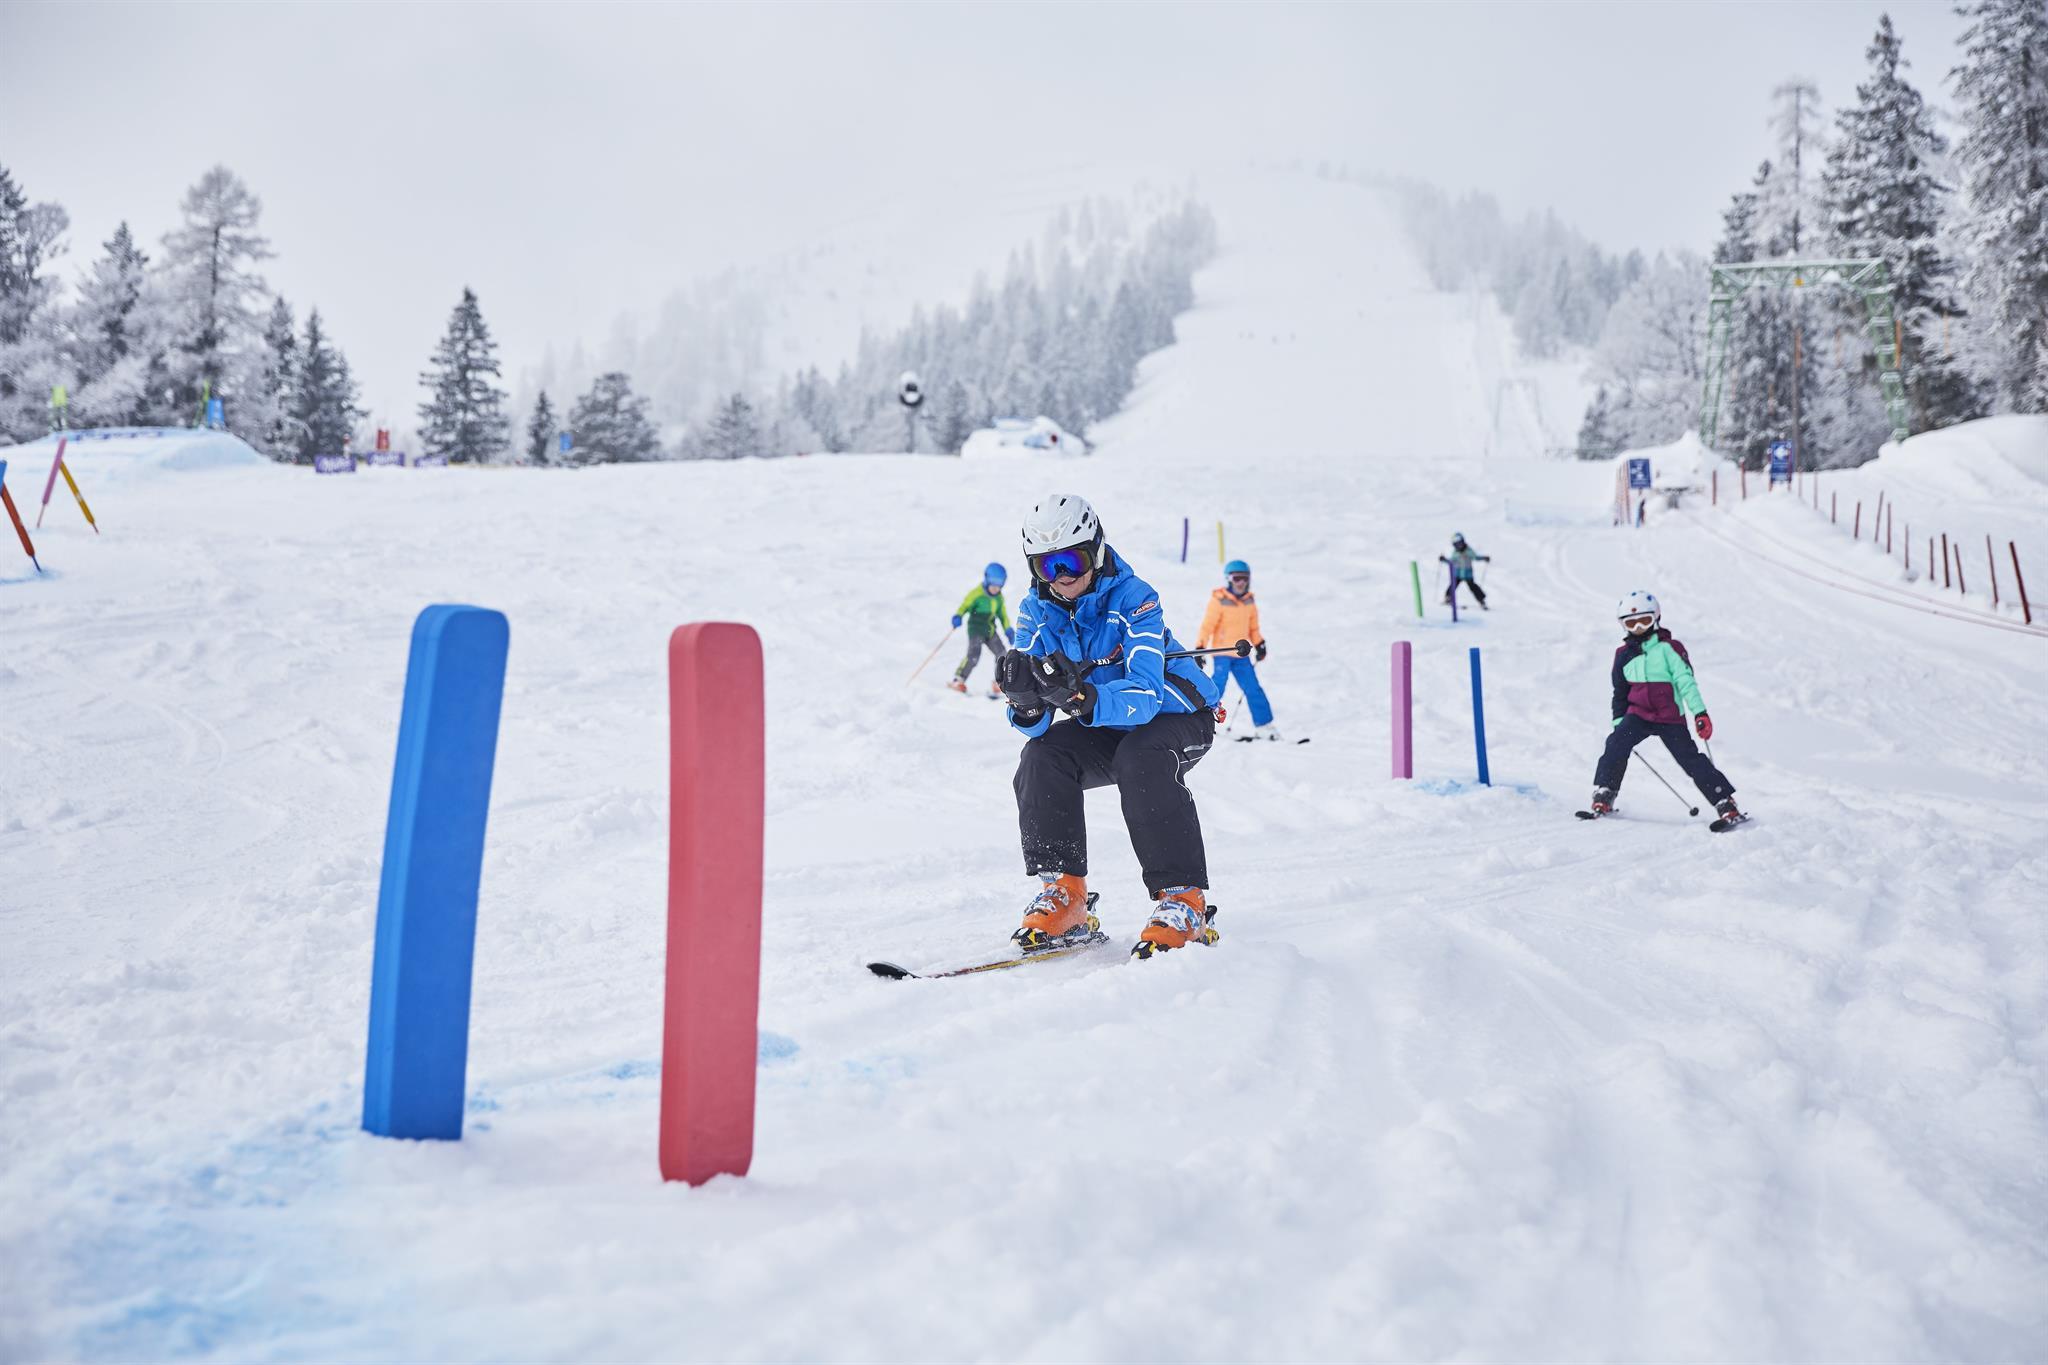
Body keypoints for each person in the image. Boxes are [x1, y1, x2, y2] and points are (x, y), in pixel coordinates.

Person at [994, 494, 1224, 960]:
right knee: (1042, 756)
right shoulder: (1035, 611)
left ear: (1096, 551)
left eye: (1072, 560)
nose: (1062, 577)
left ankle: (1184, 901)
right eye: (1047, 565)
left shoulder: (1136, 598)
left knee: (1141, 758)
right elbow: (1035, 726)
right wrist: (1025, 702)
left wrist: (1081, 697)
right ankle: (1066, 894)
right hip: (1106, 721)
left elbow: (1146, 696)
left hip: (1178, 716)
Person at [1591, 590, 1742, 822]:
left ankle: (1724, 802)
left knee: (1690, 758)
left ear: (1656, 618)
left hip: (1669, 717)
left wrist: (1699, 713)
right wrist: (1619, 722)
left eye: (1644, 620)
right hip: (1638, 715)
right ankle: (1605, 793)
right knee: (1615, 744)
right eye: (1631, 623)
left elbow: (1686, 682)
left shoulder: (1670, 648)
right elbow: (1619, 692)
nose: (1638, 627)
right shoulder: (1623, 655)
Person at [1197, 559, 1281, 740]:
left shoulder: (1249, 602)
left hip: (1241, 654)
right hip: (1222, 653)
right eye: (1236, 578)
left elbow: (1253, 628)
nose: (1241, 583)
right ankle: (1203, 721)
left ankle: (1264, 725)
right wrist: (1200, 648)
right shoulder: (1219, 600)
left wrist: (1259, 643)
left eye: (1244, 578)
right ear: (1228, 579)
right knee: (1217, 687)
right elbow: (1207, 626)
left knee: (1253, 688)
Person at [948, 562, 1012, 696]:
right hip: (976, 628)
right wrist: (958, 615)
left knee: (1002, 654)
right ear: (987, 580)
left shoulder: (999, 598)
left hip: (990, 629)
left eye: (999, 585)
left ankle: (999, 682)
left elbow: (1002, 615)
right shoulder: (977, 593)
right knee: (973, 655)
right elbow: (965, 605)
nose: (995, 589)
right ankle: (958, 679)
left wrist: (1008, 630)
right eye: (993, 585)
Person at [1440, 533, 1490, 610]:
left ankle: (1482, 601)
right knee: (1453, 586)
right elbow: (1451, 562)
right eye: (1456, 545)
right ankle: (1448, 598)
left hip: (1467, 574)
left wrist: (1484, 558)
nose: (1458, 546)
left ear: (1463, 542)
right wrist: (1444, 560)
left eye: (1459, 544)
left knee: (1473, 587)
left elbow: (1475, 557)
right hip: (1458, 574)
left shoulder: (1468, 551)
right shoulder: (1455, 553)